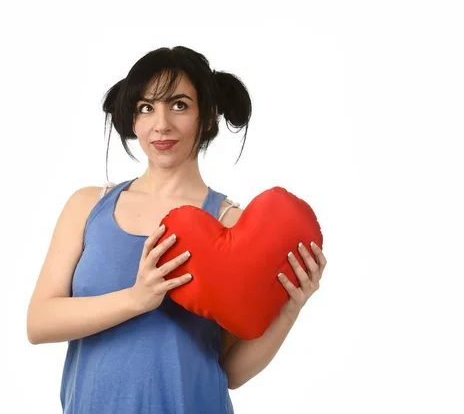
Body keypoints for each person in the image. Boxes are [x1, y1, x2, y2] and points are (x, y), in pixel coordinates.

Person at [26, 46, 327, 414]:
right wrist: (137, 299)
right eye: (146, 107)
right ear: (132, 119)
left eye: (180, 105)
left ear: (209, 116)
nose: (161, 124)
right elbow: (39, 323)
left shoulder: (232, 226)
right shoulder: (87, 205)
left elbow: (231, 372)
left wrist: (289, 311)